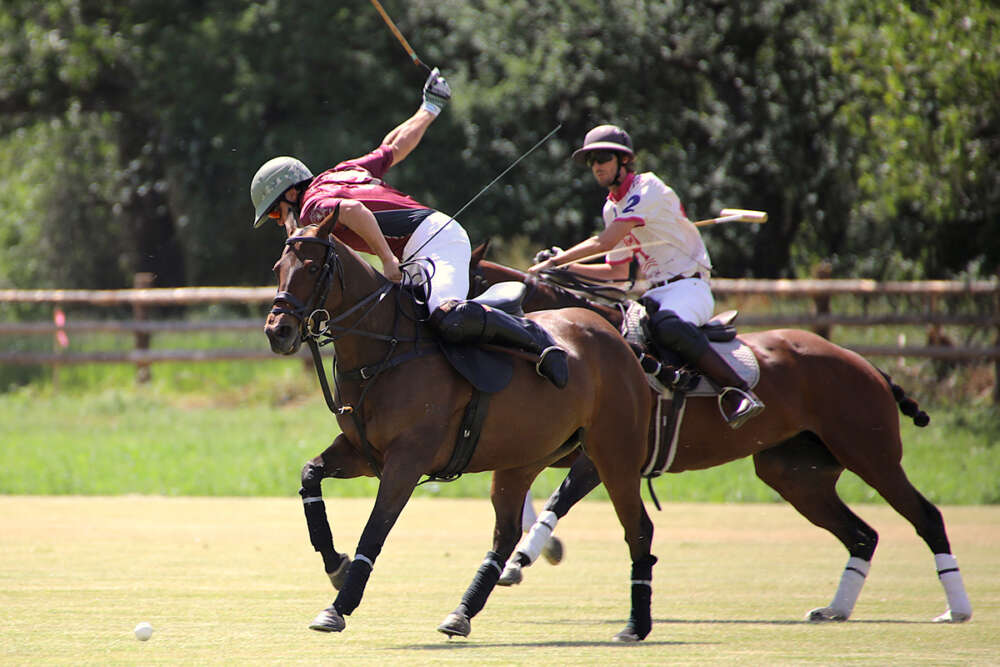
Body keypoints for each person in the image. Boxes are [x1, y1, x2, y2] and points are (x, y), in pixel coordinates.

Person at [249, 68, 568, 388]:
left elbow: (352, 209)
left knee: (448, 317)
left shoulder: (312, 208)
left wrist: (387, 260)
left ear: (291, 193)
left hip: (436, 241)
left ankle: (539, 340)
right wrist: (430, 108)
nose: (283, 223)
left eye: (277, 214)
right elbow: (393, 146)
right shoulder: (341, 172)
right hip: (421, 246)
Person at [528, 124, 764, 429]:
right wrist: (564, 269)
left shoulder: (647, 189)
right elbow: (617, 273)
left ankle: (737, 391)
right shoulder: (611, 209)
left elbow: (604, 243)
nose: (596, 166)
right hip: (653, 293)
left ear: (623, 160)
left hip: (689, 286)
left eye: (602, 157)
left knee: (668, 325)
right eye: (591, 161)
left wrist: (556, 259)